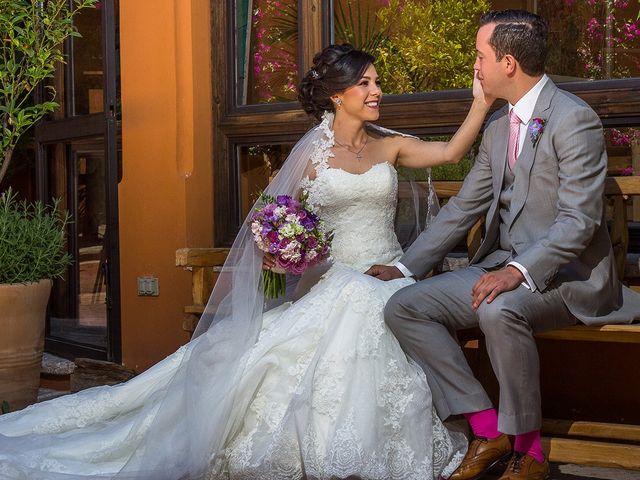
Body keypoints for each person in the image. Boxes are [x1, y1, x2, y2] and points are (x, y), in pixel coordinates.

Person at [0, 44, 493, 480]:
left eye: (376, 81)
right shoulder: (310, 158)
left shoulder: (390, 144)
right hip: (337, 277)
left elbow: (451, 150)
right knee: (348, 306)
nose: (376, 90)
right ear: (336, 95)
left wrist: (481, 102)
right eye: (365, 83)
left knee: (378, 302)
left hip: (389, 272)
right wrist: (282, 252)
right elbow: (276, 223)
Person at [369, 9, 640, 480]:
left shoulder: (574, 120)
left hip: (567, 278)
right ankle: (487, 427)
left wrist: (516, 273)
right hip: (501, 267)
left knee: (499, 309)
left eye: (480, 56)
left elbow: (579, 222)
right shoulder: (498, 130)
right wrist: (406, 267)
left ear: (508, 63)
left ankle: (530, 454)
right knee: (404, 307)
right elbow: (462, 209)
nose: (475, 67)